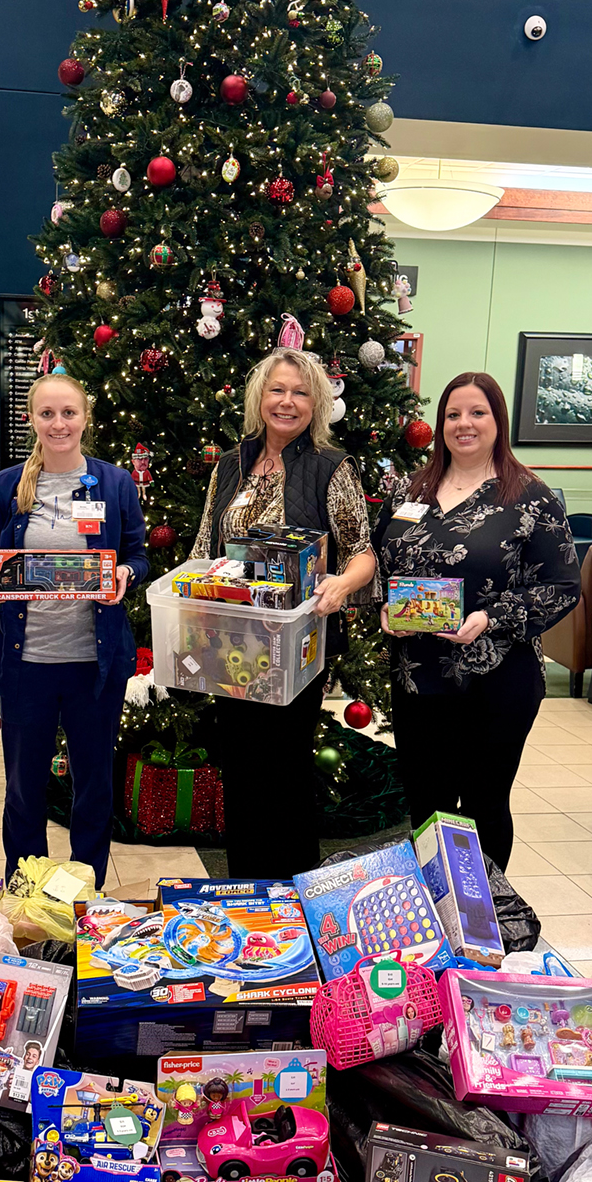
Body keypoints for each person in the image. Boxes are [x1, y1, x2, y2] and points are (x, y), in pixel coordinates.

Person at [374, 371, 579, 870]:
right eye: (452, 414)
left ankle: (484, 925)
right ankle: (436, 918)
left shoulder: (531, 497)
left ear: (497, 421)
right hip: (418, 678)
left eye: (477, 413)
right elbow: (379, 561)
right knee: (427, 805)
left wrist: (492, 616)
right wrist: (384, 608)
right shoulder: (411, 489)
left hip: (497, 680)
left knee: (485, 805)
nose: (463, 424)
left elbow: (564, 587)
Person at [191, 349, 377, 880]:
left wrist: (341, 582)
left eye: (299, 392)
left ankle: (293, 897)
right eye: (277, 390)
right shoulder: (230, 464)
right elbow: (206, 545)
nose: (287, 402)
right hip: (230, 644)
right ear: (260, 398)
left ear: (315, 402)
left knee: (286, 771)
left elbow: (362, 550)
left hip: (294, 649)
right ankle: (245, 890)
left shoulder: (331, 467)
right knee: (242, 771)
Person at [0, 373, 147, 890]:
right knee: (23, 789)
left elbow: (137, 553)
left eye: (68, 412)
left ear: (85, 416)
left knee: (93, 786)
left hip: (95, 665)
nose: (59, 423)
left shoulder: (114, 483)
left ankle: (82, 893)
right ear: (32, 420)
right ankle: (27, 896)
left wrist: (124, 575)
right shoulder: (8, 486)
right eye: (47, 413)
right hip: (27, 663)